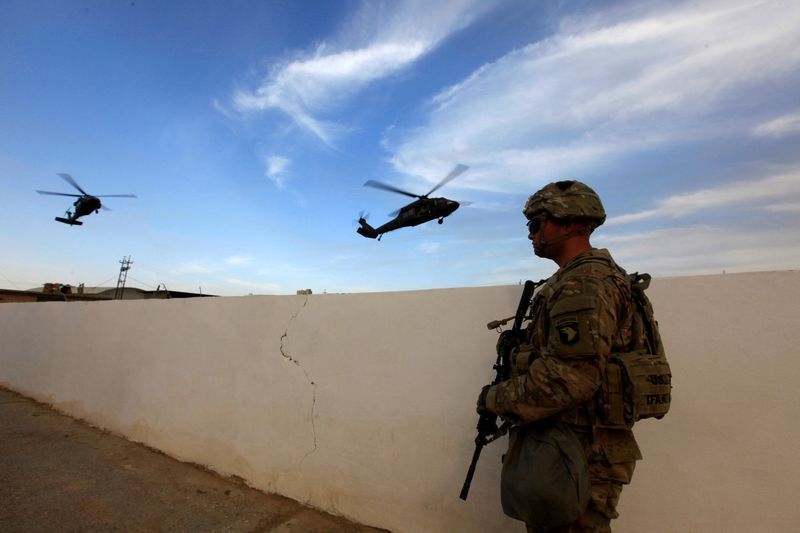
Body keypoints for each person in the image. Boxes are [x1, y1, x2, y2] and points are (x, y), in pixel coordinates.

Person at [477, 180, 644, 532]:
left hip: (580, 451)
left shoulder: (583, 285)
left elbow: (570, 377)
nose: (530, 235)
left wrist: (494, 399)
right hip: (568, 446)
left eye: (536, 225)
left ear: (569, 222)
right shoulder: (582, 279)